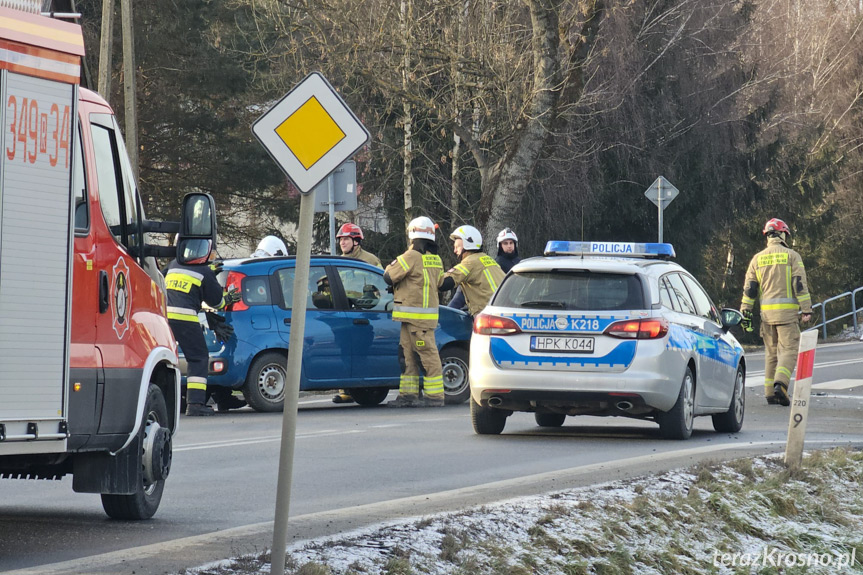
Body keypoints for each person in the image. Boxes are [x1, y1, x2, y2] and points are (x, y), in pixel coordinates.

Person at [740, 218, 813, 406]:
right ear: (783, 235)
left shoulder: (757, 259)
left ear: (768, 236)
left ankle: (769, 393)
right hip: (787, 315)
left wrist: (745, 312)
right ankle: (781, 384)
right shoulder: (792, 256)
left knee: (771, 354)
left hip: (767, 317)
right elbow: (799, 285)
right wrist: (806, 310)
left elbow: (750, 290)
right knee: (789, 350)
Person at [166, 240, 242, 415]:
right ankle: (195, 405)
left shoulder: (173, 265)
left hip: (164, 316)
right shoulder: (204, 271)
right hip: (184, 317)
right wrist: (228, 298)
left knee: (168, 359)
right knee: (198, 358)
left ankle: (171, 405)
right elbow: (217, 302)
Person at [383, 216, 446, 407]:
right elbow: (440, 283)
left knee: (426, 354)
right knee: (408, 355)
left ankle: (434, 396)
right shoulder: (435, 259)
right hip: (414, 319)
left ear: (412, 235)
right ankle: (408, 395)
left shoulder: (411, 256)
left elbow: (388, 275)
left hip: (416, 319)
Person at [333, 223, 382, 404]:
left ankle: (363, 389)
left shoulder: (370, 261)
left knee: (361, 353)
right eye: (341, 240)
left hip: (363, 316)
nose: (342, 243)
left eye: (346, 239)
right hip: (343, 316)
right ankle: (345, 390)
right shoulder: (338, 261)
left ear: (356, 241)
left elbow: (380, 286)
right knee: (343, 351)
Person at [440, 225, 505, 318]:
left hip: (487, 314)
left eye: (457, 247)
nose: (455, 251)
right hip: (503, 311)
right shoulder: (488, 259)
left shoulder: (470, 262)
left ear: (467, 245)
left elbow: (445, 282)